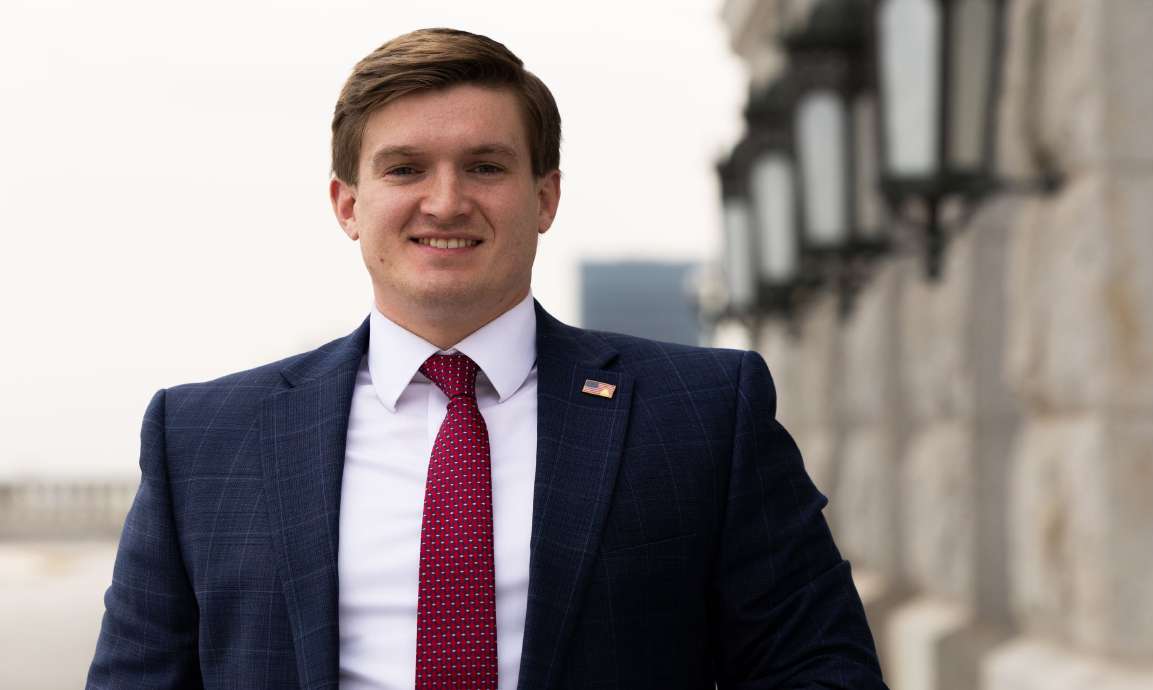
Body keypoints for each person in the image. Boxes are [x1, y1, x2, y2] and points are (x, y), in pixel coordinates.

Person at [86, 27, 886, 690]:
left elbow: (821, 667)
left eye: (485, 166)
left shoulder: (702, 411)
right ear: (348, 205)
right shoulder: (200, 438)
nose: (445, 201)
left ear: (544, 197)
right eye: (405, 168)